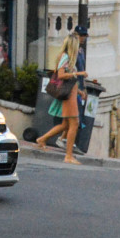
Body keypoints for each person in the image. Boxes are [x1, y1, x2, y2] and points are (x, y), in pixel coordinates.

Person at [34, 31, 86, 164]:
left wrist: (79, 91)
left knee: (65, 125)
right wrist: (78, 73)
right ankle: (68, 156)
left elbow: (68, 79)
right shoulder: (66, 57)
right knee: (74, 124)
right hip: (68, 97)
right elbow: (61, 75)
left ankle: (42, 139)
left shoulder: (67, 57)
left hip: (72, 94)